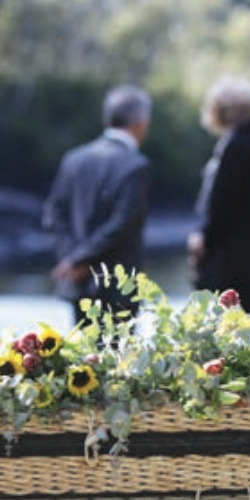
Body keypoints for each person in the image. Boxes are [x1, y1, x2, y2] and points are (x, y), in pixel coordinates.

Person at [42, 84, 152, 324]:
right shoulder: (135, 165)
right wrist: (81, 259)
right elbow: (123, 223)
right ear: (141, 123)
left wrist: (73, 259)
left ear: (106, 120)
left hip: (77, 282)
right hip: (118, 288)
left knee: (82, 347)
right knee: (119, 348)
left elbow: (53, 214)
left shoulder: (74, 159)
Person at [187, 76, 250, 314]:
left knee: (226, 321)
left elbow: (222, 202)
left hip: (231, 259)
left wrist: (204, 236)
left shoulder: (237, 147)